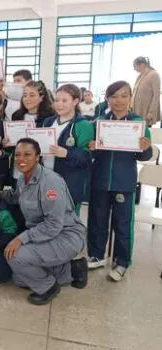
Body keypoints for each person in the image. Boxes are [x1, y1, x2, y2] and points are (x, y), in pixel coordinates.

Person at [1, 138, 87, 305]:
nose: (21, 159)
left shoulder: (50, 183)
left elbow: (54, 225)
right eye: (17, 155)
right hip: (46, 234)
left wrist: (21, 239)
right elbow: (14, 197)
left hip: (65, 235)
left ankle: (48, 287)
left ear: (38, 157)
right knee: (19, 278)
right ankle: (72, 269)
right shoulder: (22, 178)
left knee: (15, 256)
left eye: (27, 154)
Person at [87, 81, 152, 282]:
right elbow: (93, 151)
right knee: (97, 219)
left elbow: (144, 157)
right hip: (100, 180)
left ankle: (122, 261)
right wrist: (91, 146)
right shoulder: (99, 122)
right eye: (114, 96)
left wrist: (145, 147)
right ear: (107, 99)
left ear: (130, 98)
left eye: (124, 96)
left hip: (124, 182)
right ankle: (97, 255)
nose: (119, 101)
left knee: (122, 224)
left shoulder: (138, 124)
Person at [42, 84, 93, 214]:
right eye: (57, 100)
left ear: (75, 101)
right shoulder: (48, 122)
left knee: (68, 225)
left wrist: (66, 153)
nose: (59, 104)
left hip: (69, 183)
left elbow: (86, 158)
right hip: (46, 180)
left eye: (64, 100)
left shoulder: (83, 125)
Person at [132, 56, 161, 126]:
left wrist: (151, 112)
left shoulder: (154, 75)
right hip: (137, 110)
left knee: (145, 132)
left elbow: (156, 95)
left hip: (146, 111)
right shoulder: (139, 76)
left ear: (142, 65)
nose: (135, 69)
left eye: (135, 67)